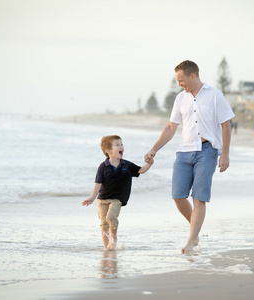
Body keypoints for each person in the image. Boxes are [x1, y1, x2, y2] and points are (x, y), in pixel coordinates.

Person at [144, 60, 235, 253]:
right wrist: (154, 149)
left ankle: (192, 239)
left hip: (207, 151)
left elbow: (226, 125)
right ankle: (196, 228)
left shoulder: (215, 95)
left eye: (181, 80)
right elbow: (171, 127)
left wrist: (225, 153)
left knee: (199, 198)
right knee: (178, 196)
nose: (179, 84)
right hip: (184, 151)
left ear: (192, 76)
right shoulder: (180, 99)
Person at [82, 135, 153, 250]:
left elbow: (141, 170)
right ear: (108, 151)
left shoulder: (127, 165)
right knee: (104, 224)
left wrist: (150, 164)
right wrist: (92, 198)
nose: (121, 147)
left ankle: (113, 239)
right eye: (117, 145)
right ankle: (107, 248)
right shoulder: (103, 167)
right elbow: (98, 183)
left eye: (121, 144)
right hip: (102, 199)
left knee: (111, 217)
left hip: (117, 199)